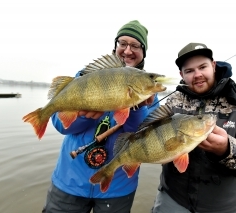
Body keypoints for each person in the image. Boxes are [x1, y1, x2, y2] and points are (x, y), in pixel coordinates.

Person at [42, 20, 159, 213]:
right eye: (123, 43)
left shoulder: (148, 92)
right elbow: (61, 126)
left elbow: (143, 138)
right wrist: (83, 115)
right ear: (115, 47)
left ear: (143, 52)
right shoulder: (86, 76)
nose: (128, 50)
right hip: (70, 181)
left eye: (135, 45)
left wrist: (137, 109)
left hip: (117, 188)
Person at [151, 42, 236, 213]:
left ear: (214, 65)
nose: (197, 75)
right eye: (189, 71)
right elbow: (148, 133)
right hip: (172, 199)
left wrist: (227, 149)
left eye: (203, 67)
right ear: (181, 74)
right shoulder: (173, 102)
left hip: (223, 207)